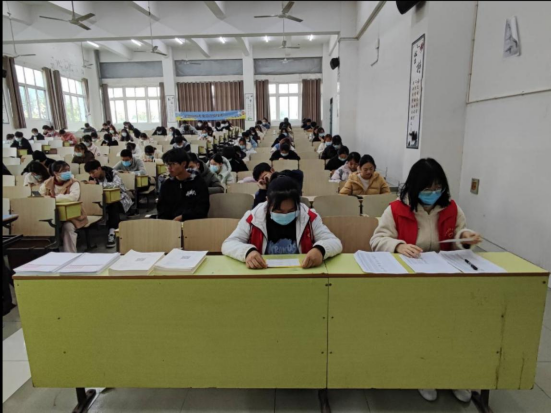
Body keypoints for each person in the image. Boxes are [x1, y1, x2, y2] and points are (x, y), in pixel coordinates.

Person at [370, 158, 482, 404]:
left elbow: (458, 236)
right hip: (411, 282)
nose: (433, 193)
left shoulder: (452, 208)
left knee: (452, 330)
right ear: (414, 187)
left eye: (437, 187)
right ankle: (424, 374)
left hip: (445, 279)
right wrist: (398, 245)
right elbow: (377, 239)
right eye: (427, 188)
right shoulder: (396, 209)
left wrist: (465, 237)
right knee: (422, 329)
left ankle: (453, 376)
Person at [222, 175, 342, 269]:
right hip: (263, 273)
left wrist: (320, 250)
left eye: (291, 211)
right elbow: (229, 244)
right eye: (279, 211)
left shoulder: (309, 216)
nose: (285, 215)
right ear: (268, 201)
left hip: (301, 272)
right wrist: (247, 252)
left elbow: (334, 242)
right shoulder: (253, 218)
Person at [39, 161, 88, 253]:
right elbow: (41, 196)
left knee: (68, 228)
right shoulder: (48, 183)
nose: (68, 172)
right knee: (43, 226)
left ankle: (70, 255)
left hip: (72, 216)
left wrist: (53, 198)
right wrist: (48, 198)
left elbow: (73, 197)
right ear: (55, 173)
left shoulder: (74, 182)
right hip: (51, 215)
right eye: (64, 171)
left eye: (68, 170)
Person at [85, 160, 133, 248]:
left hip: (120, 199)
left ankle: (112, 232)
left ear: (99, 168)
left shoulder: (112, 173)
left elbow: (117, 186)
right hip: (102, 200)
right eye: (89, 173)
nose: (92, 175)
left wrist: (98, 184)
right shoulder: (92, 178)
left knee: (113, 205)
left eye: (93, 172)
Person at [157, 149, 210, 222]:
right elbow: (162, 210)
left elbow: (202, 209)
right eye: (167, 164)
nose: (169, 168)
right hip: (172, 224)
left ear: (184, 164)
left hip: (194, 223)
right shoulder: (166, 185)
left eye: (172, 164)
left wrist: (183, 217)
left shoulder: (198, 182)